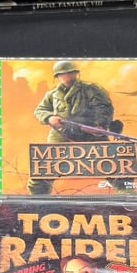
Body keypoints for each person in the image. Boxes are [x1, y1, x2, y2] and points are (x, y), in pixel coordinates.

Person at [28, 60, 128, 194]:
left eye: (70, 73)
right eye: (62, 74)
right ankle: (38, 197)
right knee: (45, 168)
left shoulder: (91, 89)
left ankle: (126, 194)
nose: (66, 76)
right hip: (61, 133)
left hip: (90, 133)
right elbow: (40, 110)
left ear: (76, 73)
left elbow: (103, 107)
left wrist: (100, 125)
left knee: (110, 164)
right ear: (57, 76)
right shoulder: (52, 94)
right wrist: (49, 118)